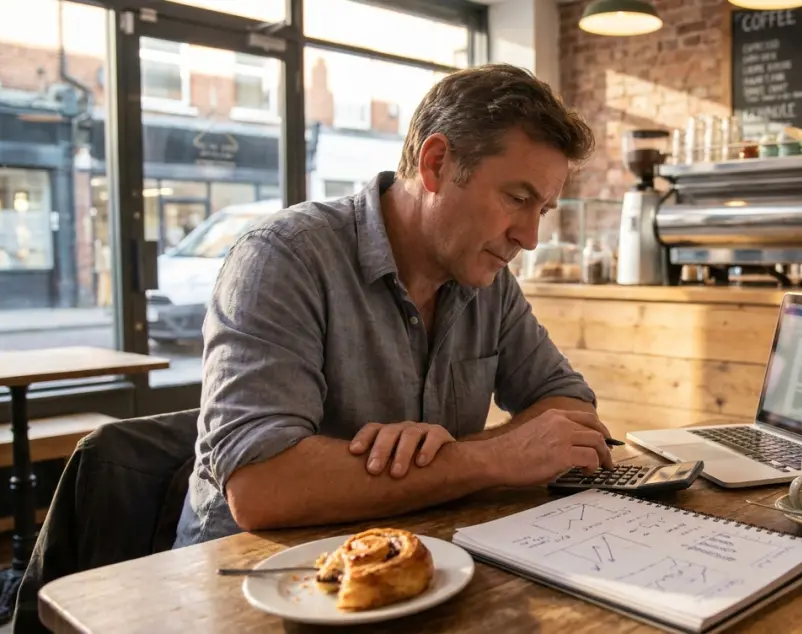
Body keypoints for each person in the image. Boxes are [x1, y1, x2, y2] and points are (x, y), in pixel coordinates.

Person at [174, 64, 614, 547]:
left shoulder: (489, 279)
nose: (529, 238)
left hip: (412, 557)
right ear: (436, 163)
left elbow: (571, 407)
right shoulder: (284, 255)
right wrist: (495, 458)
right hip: (242, 579)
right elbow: (260, 486)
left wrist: (456, 453)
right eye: (516, 198)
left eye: (543, 211)